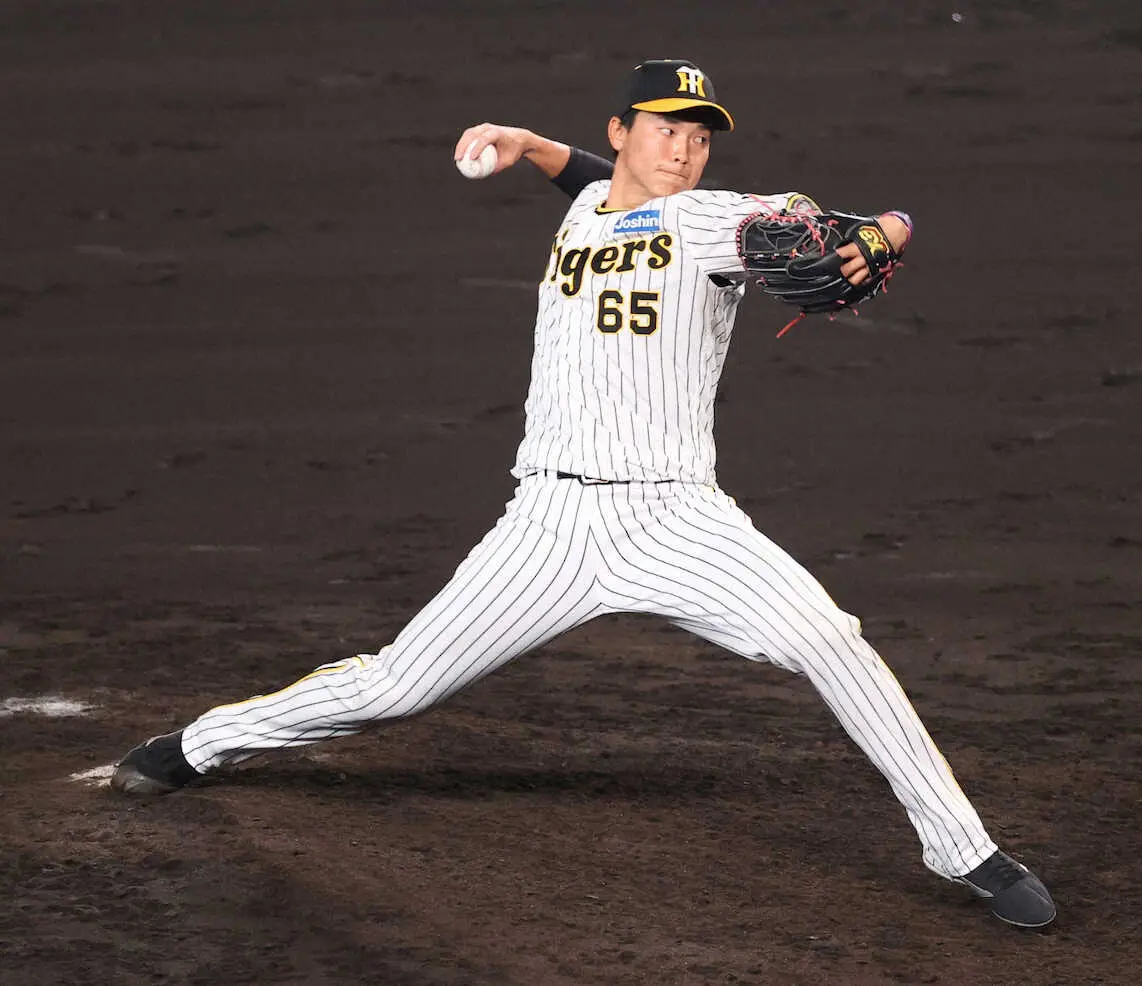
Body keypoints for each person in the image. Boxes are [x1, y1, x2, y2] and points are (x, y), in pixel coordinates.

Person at [111, 59, 1056, 928]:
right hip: (548, 527)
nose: (683, 150)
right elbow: (595, 188)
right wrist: (530, 146)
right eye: (665, 129)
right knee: (396, 686)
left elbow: (832, 226)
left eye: (699, 136)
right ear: (620, 132)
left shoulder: (711, 219)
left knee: (830, 641)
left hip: (677, 520)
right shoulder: (591, 204)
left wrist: (890, 230)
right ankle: (201, 744)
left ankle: (963, 849)